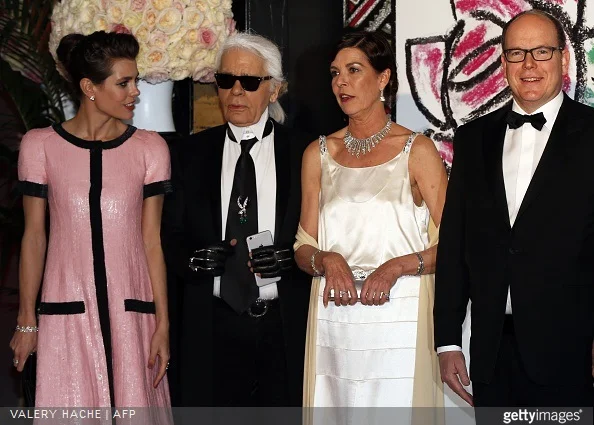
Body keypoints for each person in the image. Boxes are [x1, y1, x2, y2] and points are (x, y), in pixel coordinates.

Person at [435, 9, 594, 409]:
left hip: (572, 352)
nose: (529, 65)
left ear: (564, 58)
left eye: (541, 52)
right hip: (491, 354)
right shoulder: (473, 138)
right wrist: (448, 340)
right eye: (516, 53)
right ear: (503, 62)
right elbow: (454, 244)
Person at [9, 31, 172, 412]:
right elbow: (34, 236)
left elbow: (152, 241)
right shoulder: (40, 145)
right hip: (64, 315)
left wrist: (162, 324)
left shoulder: (150, 148)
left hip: (133, 317)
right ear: (89, 87)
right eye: (124, 82)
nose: (136, 91)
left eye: (135, 80)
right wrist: (26, 321)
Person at [294, 30, 448, 414]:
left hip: (402, 319)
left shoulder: (418, 150)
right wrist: (326, 260)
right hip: (335, 322)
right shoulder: (318, 153)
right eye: (334, 73)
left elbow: (455, 245)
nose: (340, 82)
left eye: (353, 70)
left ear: (383, 78)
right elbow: (302, 247)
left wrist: (396, 267)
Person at [162, 32, 311, 407]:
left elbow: (328, 232)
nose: (236, 92)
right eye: (226, 81)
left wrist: (294, 259)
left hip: (285, 325)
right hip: (210, 325)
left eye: (249, 81)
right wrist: (192, 260)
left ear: (274, 90)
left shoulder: (307, 152)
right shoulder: (189, 154)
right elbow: (168, 235)